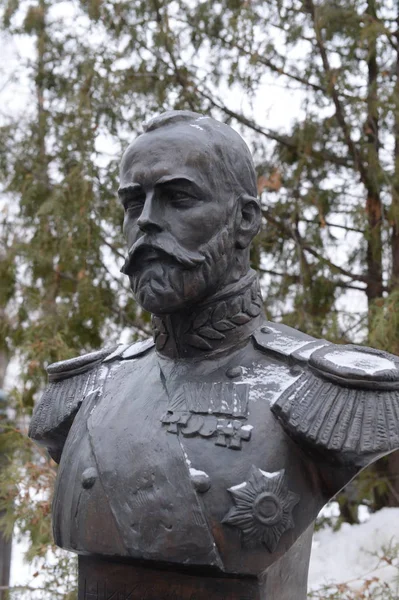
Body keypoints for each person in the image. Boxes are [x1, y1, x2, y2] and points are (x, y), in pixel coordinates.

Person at [29, 111, 399, 600]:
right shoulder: (84, 391)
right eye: (132, 201)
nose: (146, 222)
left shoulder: (332, 392)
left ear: (245, 219)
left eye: (178, 198)